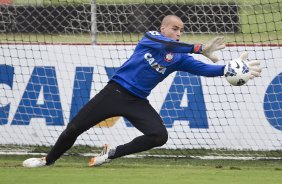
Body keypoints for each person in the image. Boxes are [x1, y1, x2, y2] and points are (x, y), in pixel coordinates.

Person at [22, 15, 261, 167]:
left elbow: (206, 70)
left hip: (137, 102)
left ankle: (113, 153)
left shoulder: (178, 58)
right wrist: (198, 47)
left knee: (159, 136)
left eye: (181, 31)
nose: (178, 33)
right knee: (74, 128)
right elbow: (166, 44)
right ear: (163, 28)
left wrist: (231, 69)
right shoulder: (151, 38)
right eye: (174, 28)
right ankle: (48, 160)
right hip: (114, 92)